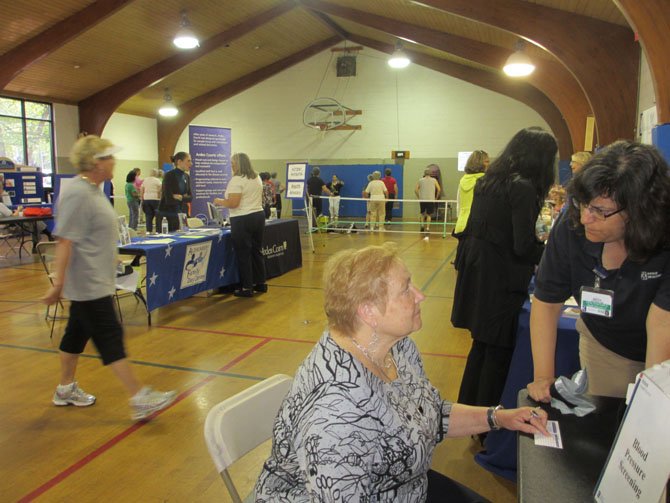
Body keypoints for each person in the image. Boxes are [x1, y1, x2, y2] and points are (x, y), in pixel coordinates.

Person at [254, 244, 549, 501]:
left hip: (404, 486)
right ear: (368, 312)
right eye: (406, 289)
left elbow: (429, 413)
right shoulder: (335, 411)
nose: (420, 296)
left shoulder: (398, 348)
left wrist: (498, 418)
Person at [42, 135, 176, 421]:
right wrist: (58, 284)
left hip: (97, 278)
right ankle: (139, 397)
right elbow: (65, 241)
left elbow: (94, 233)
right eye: (109, 157)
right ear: (95, 162)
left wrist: (112, 258)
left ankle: (65, 389)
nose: (114, 161)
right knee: (110, 337)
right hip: (87, 284)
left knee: (75, 335)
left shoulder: (94, 191)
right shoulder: (78, 193)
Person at [528, 140, 670, 401]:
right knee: (604, 421)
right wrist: (543, 378)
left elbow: (663, 323)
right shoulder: (573, 225)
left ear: (638, 210)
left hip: (665, 347)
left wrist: (651, 403)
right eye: (583, 204)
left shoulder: (664, 234)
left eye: (600, 211)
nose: (585, 218)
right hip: (607, 345)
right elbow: (547, 301)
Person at [451, 127, 556, 411]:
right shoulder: (522, 187)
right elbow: (522, 245)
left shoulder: (489, 181)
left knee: (481, 348)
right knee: (497, 353)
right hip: (500, 278)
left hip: (479, 272)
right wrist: (551, 252)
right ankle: (489, 423)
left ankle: (470, 412)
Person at [214, 153, 267, 298]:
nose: (231, 166)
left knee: (243, 253)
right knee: (256, 250)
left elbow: (233, 203)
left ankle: (247, 287)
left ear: (238, 164)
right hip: (258, 215)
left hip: (242, 218)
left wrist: (219, 201)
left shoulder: (236, 180)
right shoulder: (256, 177)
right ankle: (261, 283)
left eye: (233, 163)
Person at [454, 150, 489, 235]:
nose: (489, 164)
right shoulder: (486, 181)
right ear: (479, 163)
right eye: (486, 161)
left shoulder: (463, 181)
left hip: (462, 225)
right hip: (480, 227)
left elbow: (459, 204)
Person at [158, 152, 192, 232]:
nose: (191, 163)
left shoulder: (186, 176)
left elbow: (190, 198)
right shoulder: (169, 176)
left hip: (182, 215)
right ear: (179, 162)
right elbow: (168, 199)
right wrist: (184, 198)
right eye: (188, 161)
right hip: (168, 216)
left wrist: (180, 197)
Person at [415, 167, 441, 234]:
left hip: (422, 199)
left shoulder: (420, 180)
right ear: (430, 174)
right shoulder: (434, 180)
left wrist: (419, 197)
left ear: (424, 173)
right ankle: (428, 228)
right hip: (431, 199)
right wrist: (436, 198)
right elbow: (439, 189)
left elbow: (416, 190)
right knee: (429, 214)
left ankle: (422, 226)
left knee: (422, 213)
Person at [140, 168, 162, 233]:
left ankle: (148, 231)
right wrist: (159, 195)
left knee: (148, 216)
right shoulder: (157, 180)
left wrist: (142, 197)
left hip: (146, 199)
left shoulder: (145, 180)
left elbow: (142, 189)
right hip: (155, 199)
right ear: (156, 174)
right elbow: (160, 188)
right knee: (157, 215)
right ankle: (158, 231)